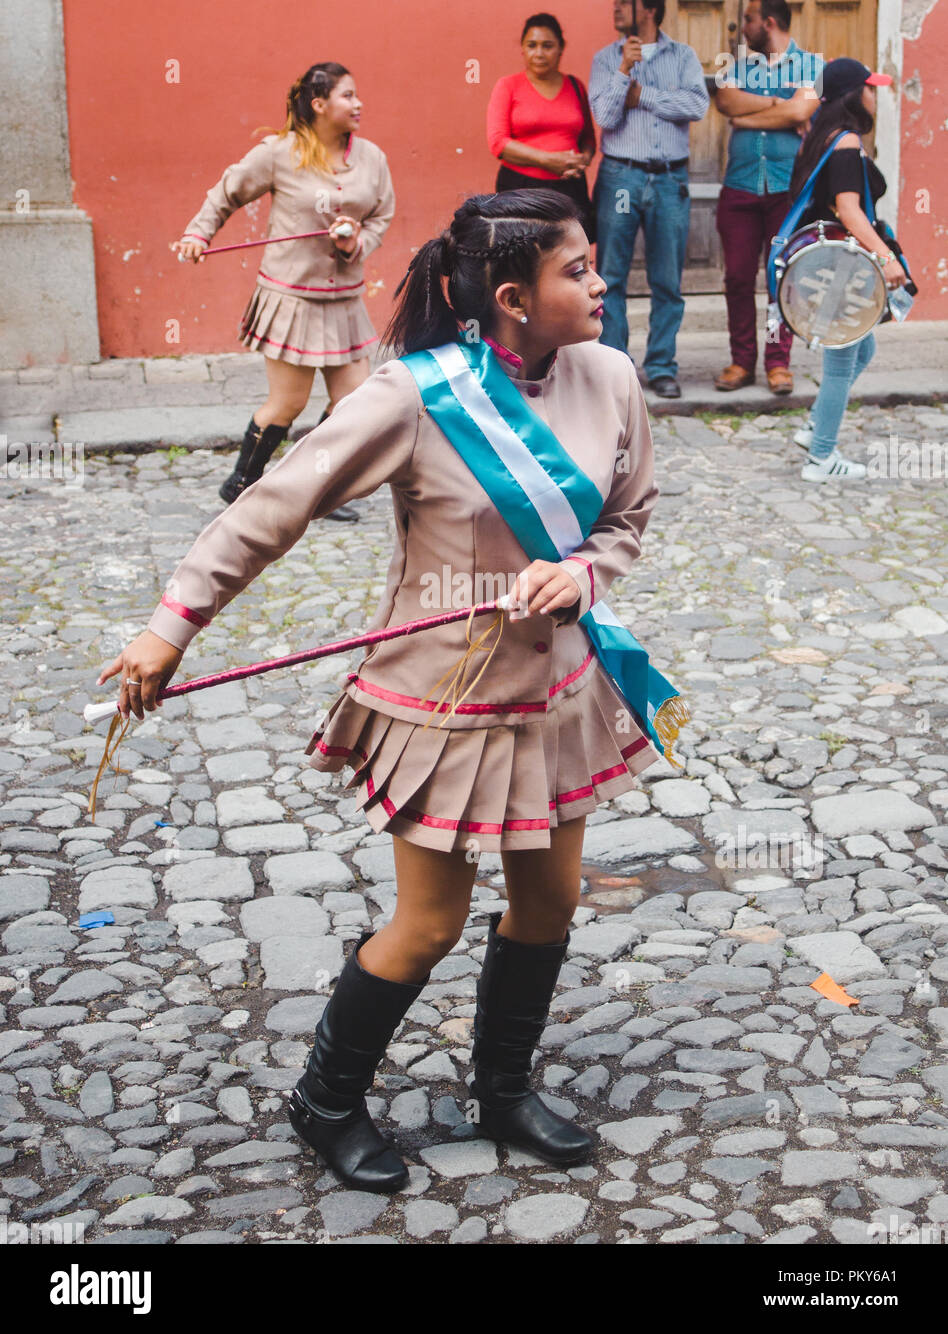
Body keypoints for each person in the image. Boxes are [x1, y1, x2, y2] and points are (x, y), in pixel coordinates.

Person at [97, 188, 666, 1194]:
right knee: (429, 922)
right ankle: (326, 1100)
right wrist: (168, 625)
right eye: (575, 270)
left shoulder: (612, 378)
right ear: (511, 296)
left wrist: (580, 577)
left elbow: (625, 521)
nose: (600, 282)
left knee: (552, 901)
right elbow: (276, 506)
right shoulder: (411, 396)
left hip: (557, 687)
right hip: (441, 702)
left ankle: (502, 1087)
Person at [172, 63, 395, 522]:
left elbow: (381, 216)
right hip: (290, 299)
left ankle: (317, 491)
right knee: (288, 403)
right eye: (348, 96)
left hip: (345, 299)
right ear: (319, 105)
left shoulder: (372, 157)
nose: (359, 104)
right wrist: (198, 235)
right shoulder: (279, 153)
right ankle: (241, 485)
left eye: (357, 95)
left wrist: (356, 241)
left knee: (354, 404)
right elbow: (225, 193)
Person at [785, 58, 905, 482]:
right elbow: (850, 211)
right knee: (841, 361)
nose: (875, 96)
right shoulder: (847, 142)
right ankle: (821, 458)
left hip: (829, 261)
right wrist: (887, 259)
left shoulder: (821, 137)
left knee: (863, 348)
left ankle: (817, 426)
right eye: (871, 88)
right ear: (856, 94)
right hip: (840, 264)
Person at [589, 0, 709, 399]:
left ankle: (661, 365)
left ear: (651, 10)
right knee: (612, 276)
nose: (616, 8)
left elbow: (696, 105)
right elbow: (604, 116)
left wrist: (645, 96)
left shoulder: (684, 57)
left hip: (670, 178)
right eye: (616, 0)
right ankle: (615, 367)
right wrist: (624, 73)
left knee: (666, 279)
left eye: (626, 1)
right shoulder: (606, 59)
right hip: (622, 174)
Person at [712, 0, 823, 395]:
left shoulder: (813, 66)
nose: (744, 27)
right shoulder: (736, 68)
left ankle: (778, 363)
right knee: (738, 278)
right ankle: (742, 361)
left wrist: (750, 115)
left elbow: (801, 112)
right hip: (740, 185)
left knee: (782, 279)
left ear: (769, 22)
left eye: (749, 19)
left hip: (786, 191)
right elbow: (726, 101)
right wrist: (778, 102)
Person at [486, 12, 597, 241]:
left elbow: (588, 139)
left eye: (547, 46)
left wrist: (581, 161)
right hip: (520, 187)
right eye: (532, 45)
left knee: (567, 255)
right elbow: (498, 142)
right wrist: (548, 161)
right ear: (522, 49)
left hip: (569, 187)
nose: (539, 53)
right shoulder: (508, 86)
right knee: (522, 255)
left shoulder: (575, 86)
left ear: (561, 48)